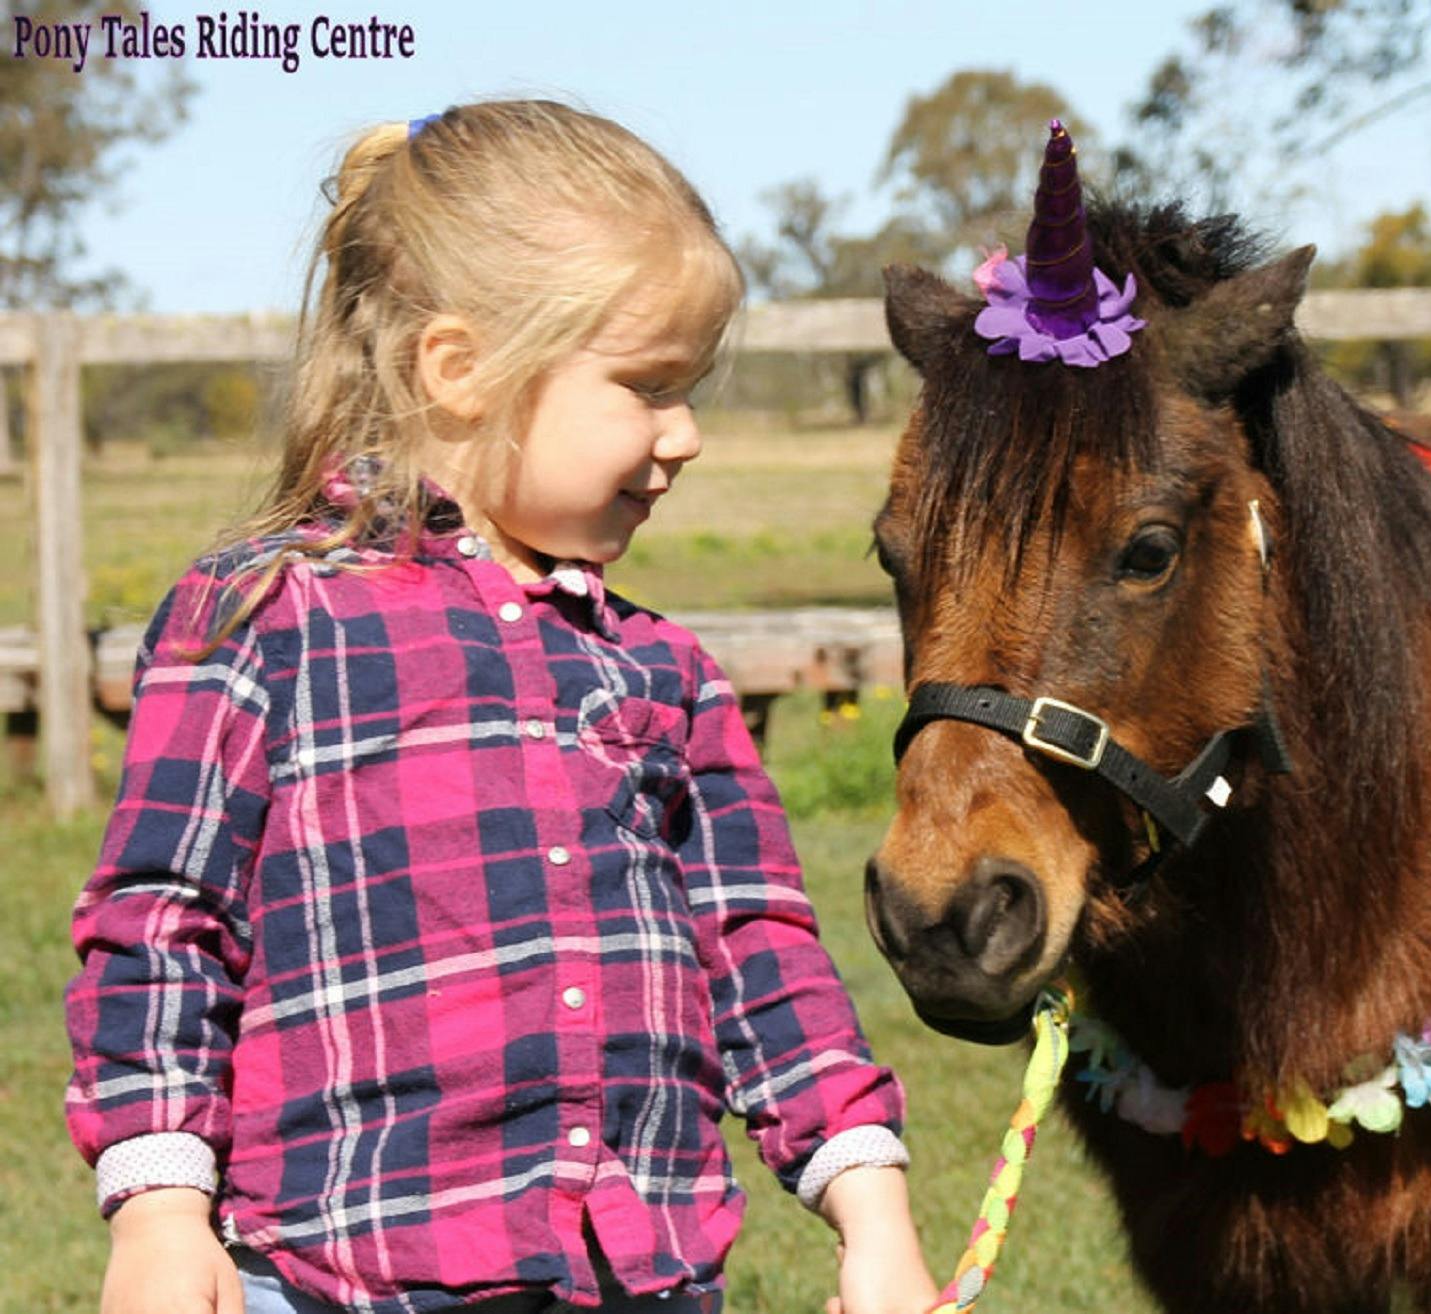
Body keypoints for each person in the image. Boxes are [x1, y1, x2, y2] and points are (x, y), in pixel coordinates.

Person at [65, 99, 939, 1314]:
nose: (687, 434)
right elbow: (162, 926)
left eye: (689, 390)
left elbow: (760, 950)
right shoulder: (265, 619)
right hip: (337, 1282)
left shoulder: (665, 671)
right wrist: (162, 1211)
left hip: (636, 1281)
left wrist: (873, 1214)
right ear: (463, 370)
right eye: (647, 386)